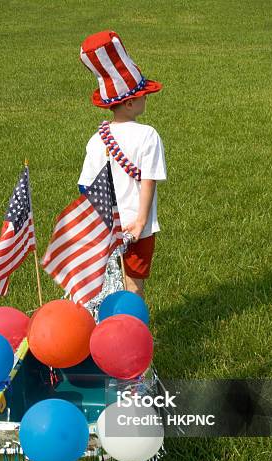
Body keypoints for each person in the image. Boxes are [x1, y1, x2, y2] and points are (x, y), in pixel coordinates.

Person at [78, 30, 167, 298]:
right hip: (138, 228)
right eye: (142, 94)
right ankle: (133, 331)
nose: (146, 97)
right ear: (129, 103)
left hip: (107, 227)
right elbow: (148, 180)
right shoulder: (148, 135)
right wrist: (140, 221)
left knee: (108, 286)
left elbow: (86, 188)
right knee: (134, 286)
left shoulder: (97, 139)